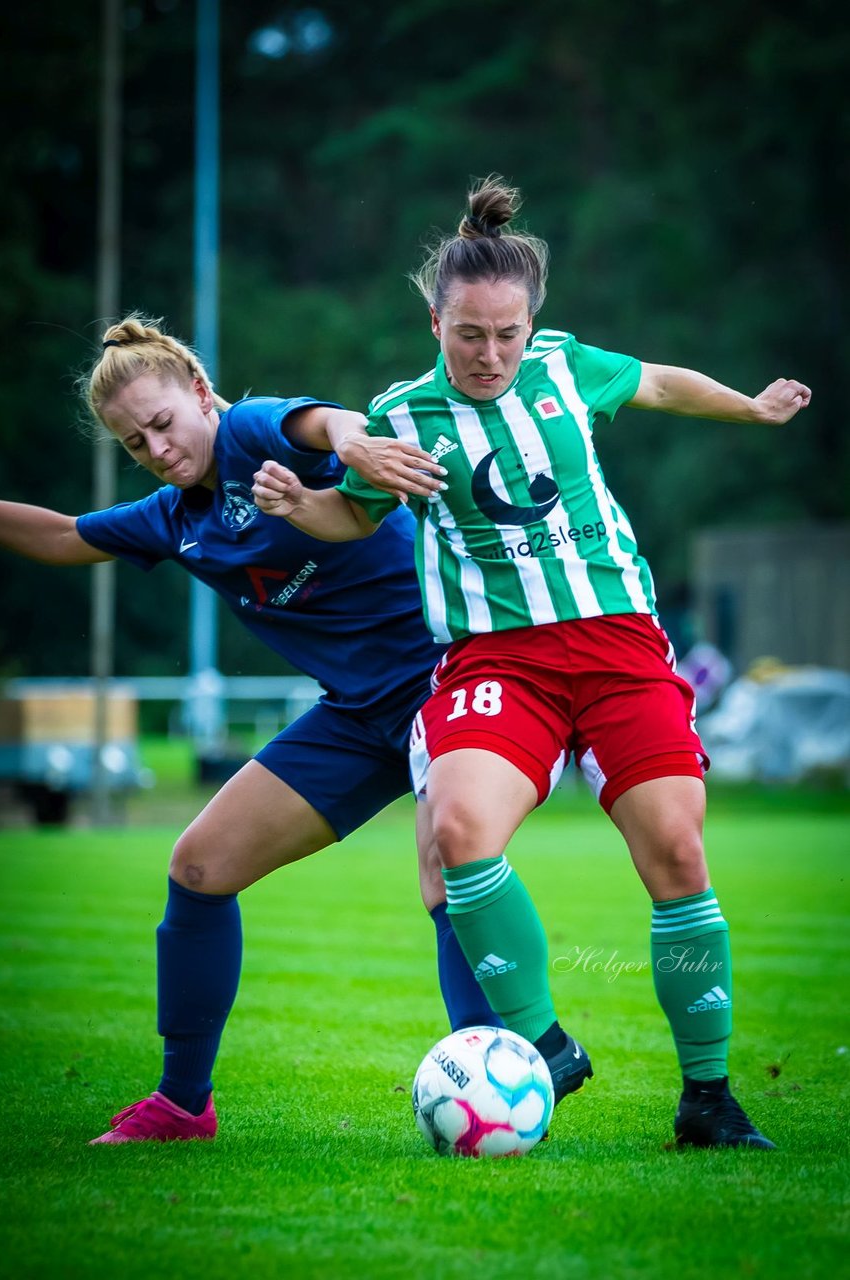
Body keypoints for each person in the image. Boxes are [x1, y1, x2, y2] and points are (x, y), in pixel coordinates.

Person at [252, 176, 812, 1149]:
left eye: (507, 332)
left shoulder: (562, 367)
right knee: (459, 828)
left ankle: (707, 1097)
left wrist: (750, 409)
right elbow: (351, 510)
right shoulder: (397, 416)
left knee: (677, 852)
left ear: (530, 322)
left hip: (616, 643)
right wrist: (301, 508)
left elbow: (661, 382)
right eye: (469, 333)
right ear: (435, 320)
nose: (490, 353)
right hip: (494, 659)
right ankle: (542, 1043)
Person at [0, 314, 503, 1145]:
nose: (156, 450)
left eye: (161, 424)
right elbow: (60, 536)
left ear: (200, 393)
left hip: (450, 679)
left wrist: (358, 443)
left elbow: (326, 424)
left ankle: (501, 1074)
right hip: (355, 715)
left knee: (449, 867)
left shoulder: (254, 431)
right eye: (133, 444)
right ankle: (183, 1105)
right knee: (198, 865)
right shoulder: (172, 518)